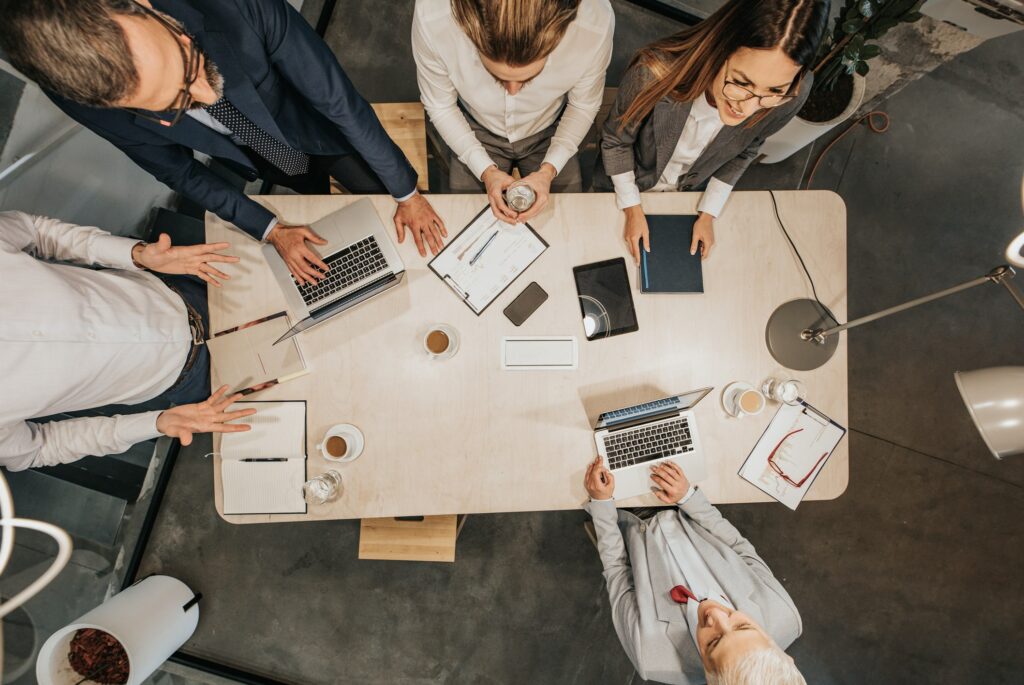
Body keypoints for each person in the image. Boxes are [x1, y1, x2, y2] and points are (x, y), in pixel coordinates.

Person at [0, 0, 448, 285]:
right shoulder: (86, 102)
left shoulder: (233, 5)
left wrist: (406, 193)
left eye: (188, 65)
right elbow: (180, 172)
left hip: (313, 124)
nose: (207, 96)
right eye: (176, 105)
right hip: (255, 154)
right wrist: (271, 230)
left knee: (372, 182)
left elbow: (340, 105)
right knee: (306, 196)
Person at [0, 210, 257, 471]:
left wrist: (135, 254)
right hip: (197, 381)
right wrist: (155, 424)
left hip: (191, 283)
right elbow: (39, 449)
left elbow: (36, 232)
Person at [597, 0, 828, 263]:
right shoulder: (652, 74)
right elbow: (616, 141)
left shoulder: (794, 93)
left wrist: (708, 212)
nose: (749, 109)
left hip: (690, 196)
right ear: (720, 47)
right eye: (741, 83)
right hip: (624, 187)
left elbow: (749, 147)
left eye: (774, 92)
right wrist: (632, 208)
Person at [583, 456, 806, 684]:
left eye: (713, 642)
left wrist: (601, 503)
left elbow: (617, 569)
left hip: (629, 514)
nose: (715, 615)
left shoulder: (650, 656)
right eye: (743, 625)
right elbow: (739, 546)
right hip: (690, 507)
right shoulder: (783, 612)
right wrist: (688, 497)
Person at [413, 0, 613, 223]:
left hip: (550, 128)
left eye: (528, 79)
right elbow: (440, 105)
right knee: (468, 220)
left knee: (565, 223)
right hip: (473, 126)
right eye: (497, 78)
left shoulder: (595, 23)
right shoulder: (433, 16)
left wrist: (548, 170)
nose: (513, 92)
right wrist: (486, 171)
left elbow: (582, 105)